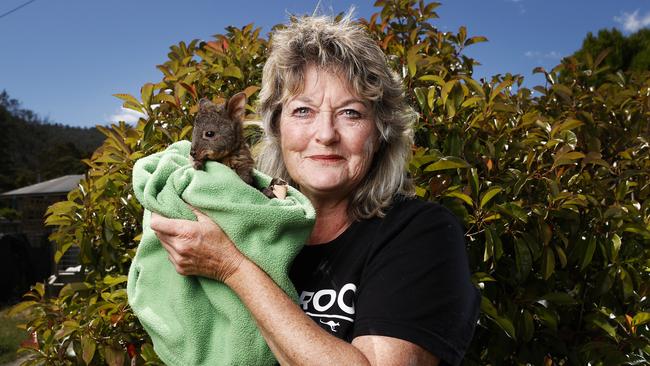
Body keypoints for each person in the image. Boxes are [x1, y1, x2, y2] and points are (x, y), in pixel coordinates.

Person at [150, 14, 480, 366]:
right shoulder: (254, 217)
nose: (326, 134)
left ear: (381, 133)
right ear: (276, 128)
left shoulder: (419, 233)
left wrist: (233, 269)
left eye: (350, 113)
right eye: (303, 111)